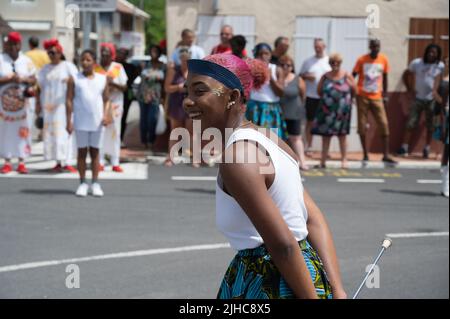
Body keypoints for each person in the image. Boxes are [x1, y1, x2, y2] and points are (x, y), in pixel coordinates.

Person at [184, 53, 346, 299]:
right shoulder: (271, 140)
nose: (187, 101)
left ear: (233, 97)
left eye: (199, 91)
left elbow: (283, 245)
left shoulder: (238, 157)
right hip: (307, 275)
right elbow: (311, 219)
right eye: (187, 91)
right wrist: (337, 289)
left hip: (273, 281)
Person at [66, 50, 110, 197]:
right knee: (82, 153)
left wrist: (105, 115)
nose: (85, 62)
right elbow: (69, 100)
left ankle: (95, 183)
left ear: (94, 62)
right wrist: (69, 120)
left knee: (95, 152)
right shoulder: (74, 79)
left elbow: (106, 99)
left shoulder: (102, 79)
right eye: (82, 60)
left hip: (97, 122)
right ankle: (82, 183)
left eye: (88, 60)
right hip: (80, 121)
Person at [352, 39, 397, 165]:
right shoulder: (362, 60)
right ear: (370, 47)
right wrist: (353, 92)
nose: (375, 48)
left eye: (377, 46)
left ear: (379, 47)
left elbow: (386, 77)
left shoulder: (383, 59)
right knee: (362, 125)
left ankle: (386, 155)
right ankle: (365, 154)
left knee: (383, 123)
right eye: (373, 46)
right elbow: (353, 75)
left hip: (377, 96)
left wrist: (385, 95)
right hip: (362, 96)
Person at [36, 38, 77, 173]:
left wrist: (70, 81)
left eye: (54, 52)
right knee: (52, 135)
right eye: (49, 53)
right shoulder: (44, 69)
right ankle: (58, 161)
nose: (52, 55)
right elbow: (38, 87)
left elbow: (78, 82)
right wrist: (38, 105)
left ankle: (68, 161)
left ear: (60, 53)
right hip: (48, 108)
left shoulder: (68, 66)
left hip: (64, 107)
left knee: (66, 133)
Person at [398, 44, 444, 158]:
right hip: (418, 97)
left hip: (431, 99)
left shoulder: (440, 66)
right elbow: (406, 73)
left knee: (430, 125)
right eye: (430, 51)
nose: (431, 54)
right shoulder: (417, 63)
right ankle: (404, 147)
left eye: (434, 52)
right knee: (410, 123)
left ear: (438, 54)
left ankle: (426, 148)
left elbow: (440, 80)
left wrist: (437, 94)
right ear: (426, 51)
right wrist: (409, 89)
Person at [0, 32, 37, 174]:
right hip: (4, 106)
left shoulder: (26, 61)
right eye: (10, 44)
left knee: (24, 130)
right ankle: (7, 161)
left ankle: (22, 160)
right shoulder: (1, 60)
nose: (12, 47)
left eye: (15, 44)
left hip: (23, 105)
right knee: (5, 131)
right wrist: (9, 79)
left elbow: (34, 79)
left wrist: (23, 80)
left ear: (20, 45)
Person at [312, 53, 356, 169]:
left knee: (342, 136)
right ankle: (323, 161)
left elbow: (354, 90)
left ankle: (344, 160)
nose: (335, 64)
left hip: (342, 112)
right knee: (326, 136)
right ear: (329, 63)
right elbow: (319, 91)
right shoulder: (325, 76)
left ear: (340, 63)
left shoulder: (347, 75)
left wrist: (349, 97)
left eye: (337, 62)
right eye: (332, 62)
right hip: (327, 111)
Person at [95, 43, 128, 173]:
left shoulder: (118, 67)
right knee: (101, 132)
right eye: (103, 53)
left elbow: (124, 87)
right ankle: (101, 161)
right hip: (100, 104)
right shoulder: (96, 68)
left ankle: (115, 161)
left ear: (112, 55)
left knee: (115, 132)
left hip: (116, 104)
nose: (105, 56)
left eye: (107, 54)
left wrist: (112, 83)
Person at [246, 43, 286, 140]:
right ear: (255, 56)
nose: (263, 57)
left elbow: (281, 93)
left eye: (266, 53)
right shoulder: (250, 69)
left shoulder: (277, 69)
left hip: (271, 109)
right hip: (254, 107)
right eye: (260, 54)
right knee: (252, 139)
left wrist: (270, 77)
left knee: (270, 140)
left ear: (270, 55)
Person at [300, 39, 332, 153]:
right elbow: (300, 76)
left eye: (319, 47)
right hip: (311, 96)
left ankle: (325, 151)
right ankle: (308, 147)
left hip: (326, 98)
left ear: (324, 47)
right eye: (315, 47)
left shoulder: (330, 61)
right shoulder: (308, 61)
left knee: (326, 123)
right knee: (310, 122)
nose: (317, 49)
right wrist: (307, 76)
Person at [278, 54, 309, 170]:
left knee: (296, 138)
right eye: (282, 65)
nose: (285, 67)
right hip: (280, 112)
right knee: (281, 138)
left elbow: (303, 95)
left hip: (294, 112)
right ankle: (283, 162)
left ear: (292, 67)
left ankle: (302, 161)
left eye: (288, 65)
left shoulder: (297, 79)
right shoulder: (276, 78)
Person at [164, 46, 193, 167]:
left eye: (186, 58)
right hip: (176, 102)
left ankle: (193, 157)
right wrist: (178, 87)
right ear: (179, 58)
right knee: (175, 131)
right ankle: (171, 157)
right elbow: (167, 88)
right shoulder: (173, 70)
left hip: (190, 102)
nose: (184, 60)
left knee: (191, 131)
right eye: (182, 58)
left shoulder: (194, 71)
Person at [137, 44, 166, 149]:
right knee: (143, 119)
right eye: (152, 51)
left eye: (156, 51)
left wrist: (163, 97)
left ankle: (151, 141)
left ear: (159, 53)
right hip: (143, 95)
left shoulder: (163, 66)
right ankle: (144, 141)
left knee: (152, 119)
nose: (154, 53)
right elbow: (140, 79)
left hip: (156, 96)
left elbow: (164, 83)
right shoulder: (144, 65)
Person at [433, 57, 449, 197]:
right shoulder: (441, 76)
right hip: (445, 113)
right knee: (447, 148)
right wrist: (444, 105)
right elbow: (434, 93)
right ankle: (445, 185)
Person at [116, 47, 140, 142]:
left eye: (123, 53)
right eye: (119, 52)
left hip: (125, 95)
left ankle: (120, 138)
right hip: (112, 94)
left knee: (123, 116)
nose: (120, 55)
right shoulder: (113, 65)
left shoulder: (131, 67)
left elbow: (131, 79)